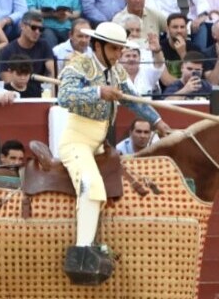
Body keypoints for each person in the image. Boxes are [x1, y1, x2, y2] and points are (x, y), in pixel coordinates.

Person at [58, 21, 173, 285]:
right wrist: (99, 91)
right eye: (113, 49)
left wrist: (158, 123)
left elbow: (133, 100)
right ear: (97, 45)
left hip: (100, 145)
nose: (118, 55)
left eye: (120, 50)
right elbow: (64, 96)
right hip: (76, 142)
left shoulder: (117, 71)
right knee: (91, 186)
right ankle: (82, 254)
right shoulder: (79, 64)